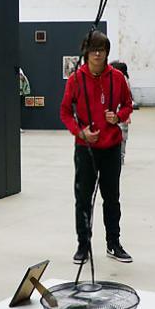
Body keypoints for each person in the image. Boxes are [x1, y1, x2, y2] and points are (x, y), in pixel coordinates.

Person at [60, 31, 134, 264]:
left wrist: (118, 117)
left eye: (101, 50)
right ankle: (83, 246)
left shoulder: (118, 78)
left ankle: (114, 243)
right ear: (86, 52)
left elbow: (128, 105)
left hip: (111, 147)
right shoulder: (76, 79)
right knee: (83, 198)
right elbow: (64, 112)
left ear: (106, 53)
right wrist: (79, 132)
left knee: (112, 198)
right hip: (85, 148)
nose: (97, 54)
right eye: (93, 50)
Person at [108, 60, 132, 165]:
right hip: (116, 114)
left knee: (122, 136)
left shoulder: (122, 81)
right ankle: (119, 156)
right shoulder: (119, 80)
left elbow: (127, 100)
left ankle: (120, 157)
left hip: (120, 114)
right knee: (121, 136)